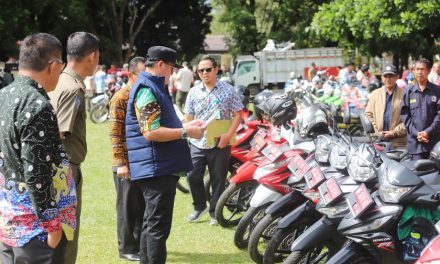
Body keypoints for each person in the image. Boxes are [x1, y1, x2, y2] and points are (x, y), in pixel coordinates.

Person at [0, 33, 76, 264]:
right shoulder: (37, 105)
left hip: (8, 218)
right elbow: (37, 174)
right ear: (53, 66)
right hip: (34, 227)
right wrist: (52, 225)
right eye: (61, 66)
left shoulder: (4, 95)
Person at [125, 46, 204, 264]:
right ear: (160, 64)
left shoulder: (153, 86)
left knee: (152, 225)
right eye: (171, 67)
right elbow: (150, 132)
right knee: (157, 228)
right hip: (156, 168)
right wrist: (186, 131)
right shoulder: (147, 89)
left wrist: (185, 124)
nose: (173, 72)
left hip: (157, 165)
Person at [49, 32, 100, 264]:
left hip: (54, 170)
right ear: (92, 55)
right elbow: (58, 134)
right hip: (64, 170)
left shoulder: (58, 80)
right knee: (67, 238)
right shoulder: (71, 88)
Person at [184, 56, 243, 225]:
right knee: (192, 176)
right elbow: (188, 116)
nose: (204, 73)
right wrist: (188, 128)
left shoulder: (228, 90)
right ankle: (199, 206)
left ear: (216, 69)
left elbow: (238, 113)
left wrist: (228, 135)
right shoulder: (193, 92)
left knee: (218, 179)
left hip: (220, 143)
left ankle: (214, 212)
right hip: (198, 142)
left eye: (207, 69)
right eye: (200, 70)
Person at [109, 57, 146, 262]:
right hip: (126, 163)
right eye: (143, 73)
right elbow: (115, 133)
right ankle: (126, 248)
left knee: (140, 205)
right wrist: (121, 163)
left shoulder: (141, 95)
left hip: (141, 161)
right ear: (131, 75)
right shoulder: (121, 97)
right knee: (126, 207)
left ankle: (138, 243)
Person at [401, 58, 440, 160]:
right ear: (413, 71)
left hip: (434, 145)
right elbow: (405, 116)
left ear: (428, 71)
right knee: (416, 175)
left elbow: (439, 115)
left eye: (422, 69)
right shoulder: (408, 92)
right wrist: (416, 133)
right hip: (415, 146)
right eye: (417, 69)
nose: (419, 72)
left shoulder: (437, 91)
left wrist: (428, 132)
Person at [364, 64, 407, 147]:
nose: (388, 79)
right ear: (381, 77)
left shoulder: (405, 95)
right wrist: (377, 132)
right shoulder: (375, 94)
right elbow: (368, 115)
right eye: (385, 76)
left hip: (398, 142)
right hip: (377, 140)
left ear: (397, 77)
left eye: (391, 76)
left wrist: (394, 132)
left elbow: (409, 119)